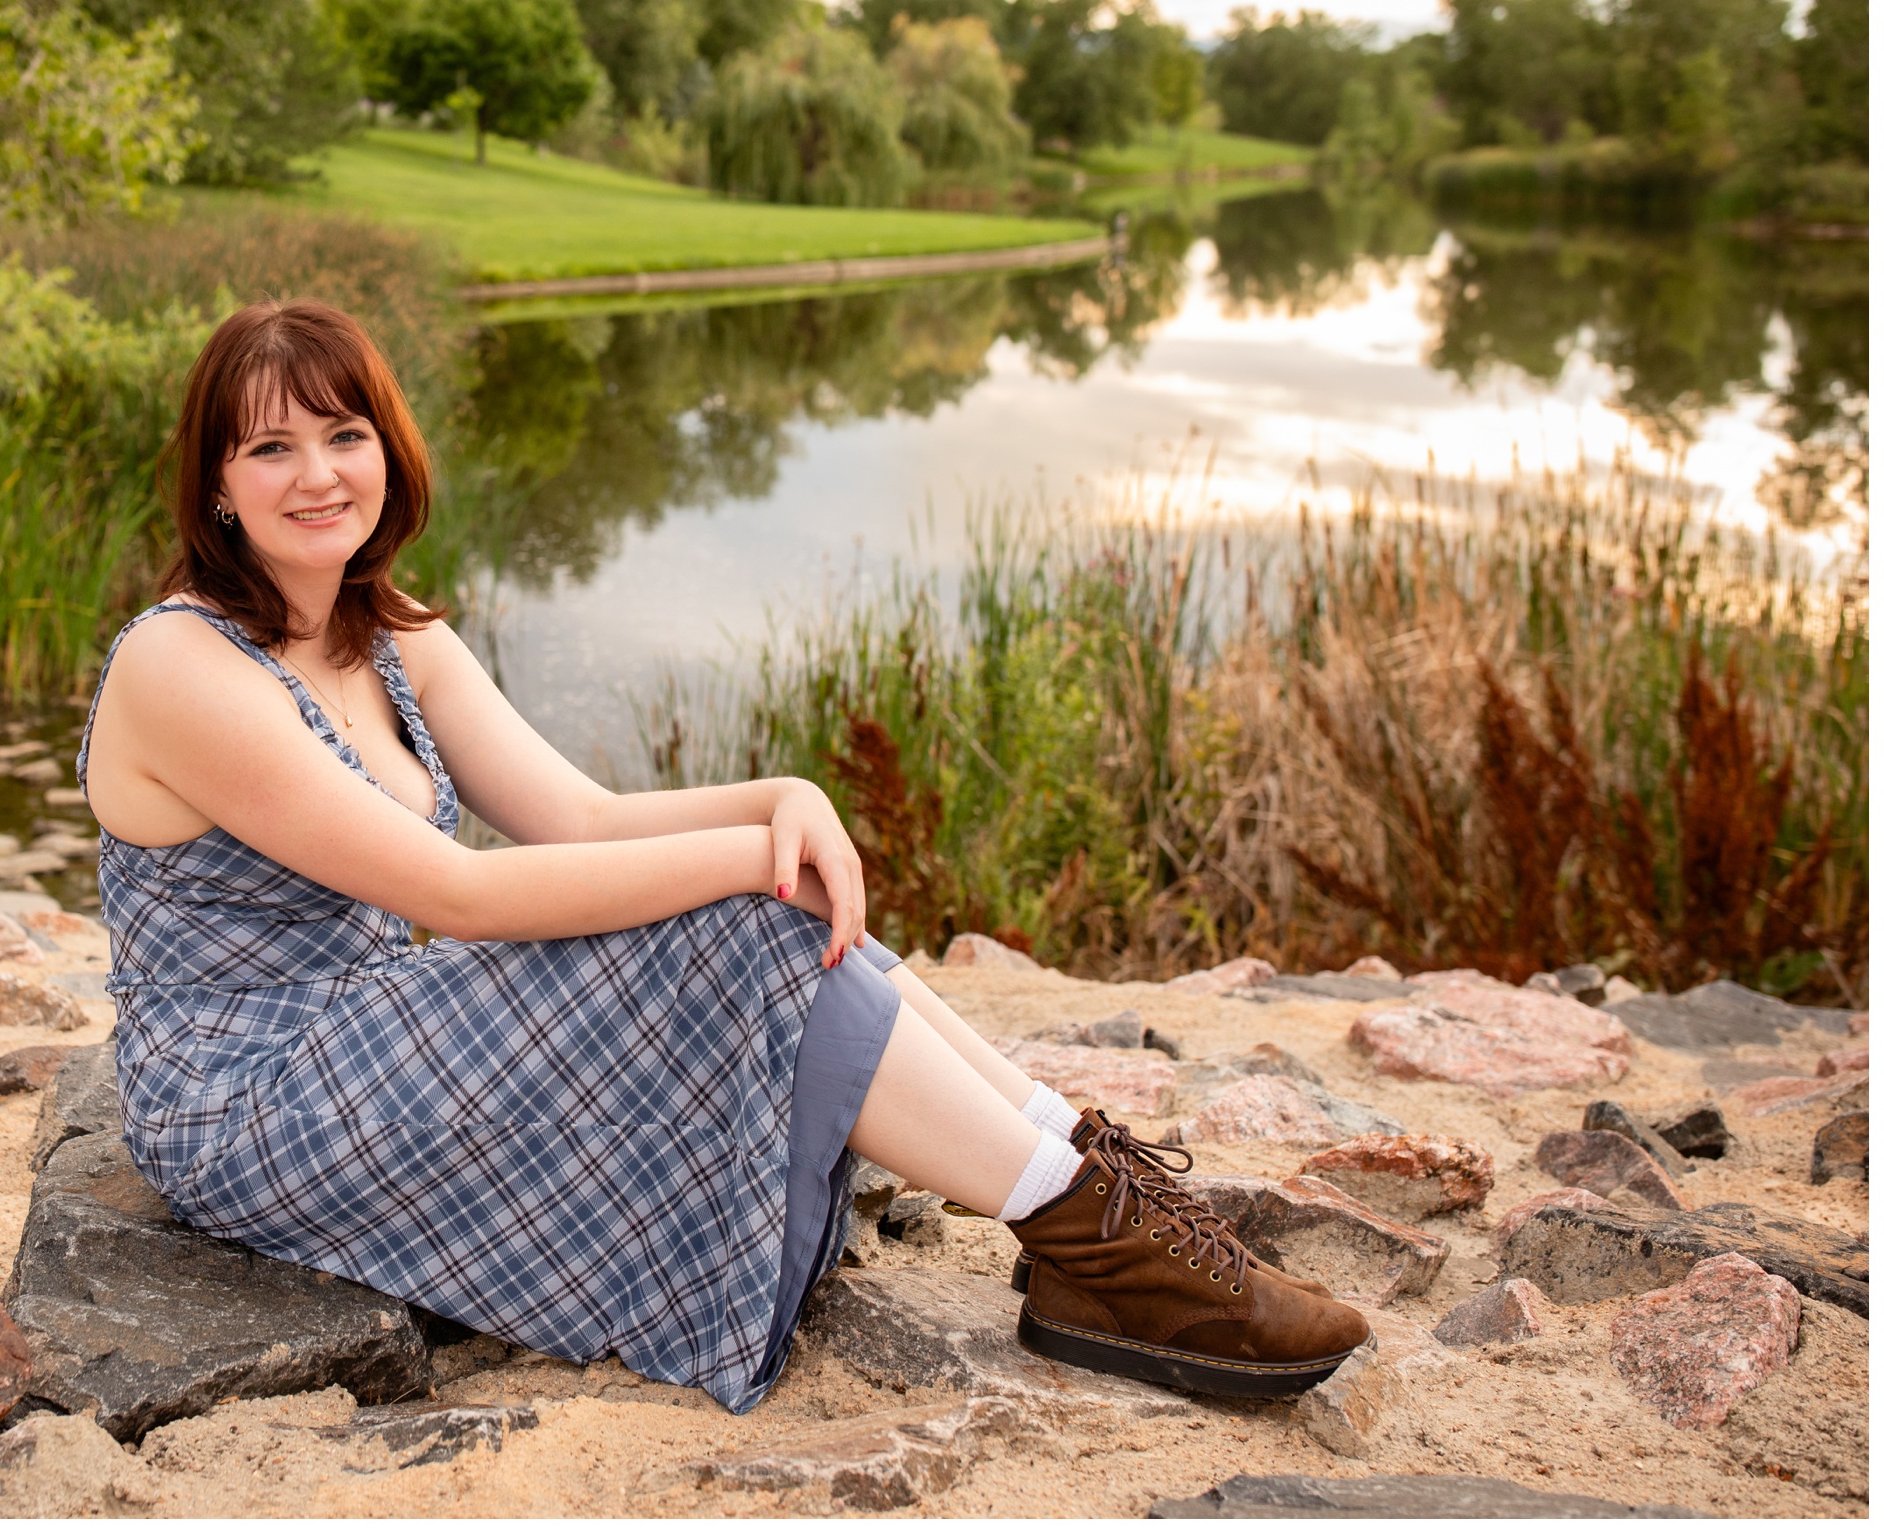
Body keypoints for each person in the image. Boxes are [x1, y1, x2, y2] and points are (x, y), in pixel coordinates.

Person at [79, 299, 1368, 1413]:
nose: (318, 474)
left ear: (387, 450)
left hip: (371, 1034)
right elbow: (460, 894)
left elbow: (578, 819)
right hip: (248, 1102)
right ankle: (1098, 1249)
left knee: (782, 886)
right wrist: (743, 863)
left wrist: (784, 797)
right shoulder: (181, 663)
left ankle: (1081, 1176)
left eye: (344, 435)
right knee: (752, 907)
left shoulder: (392, 632)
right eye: (271, 446)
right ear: (215, 485)